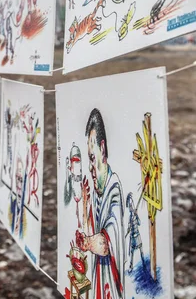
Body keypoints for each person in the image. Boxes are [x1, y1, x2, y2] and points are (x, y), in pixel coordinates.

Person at [76, 108, 125, 299]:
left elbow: (106, 242)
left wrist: (87, 243)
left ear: (102, 149)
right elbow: (93, 230)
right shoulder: (98, 191)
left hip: (111, 284)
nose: (89, 166)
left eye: (91, 157)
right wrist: (86, 204)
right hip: (98, 277)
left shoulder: (113, 189)